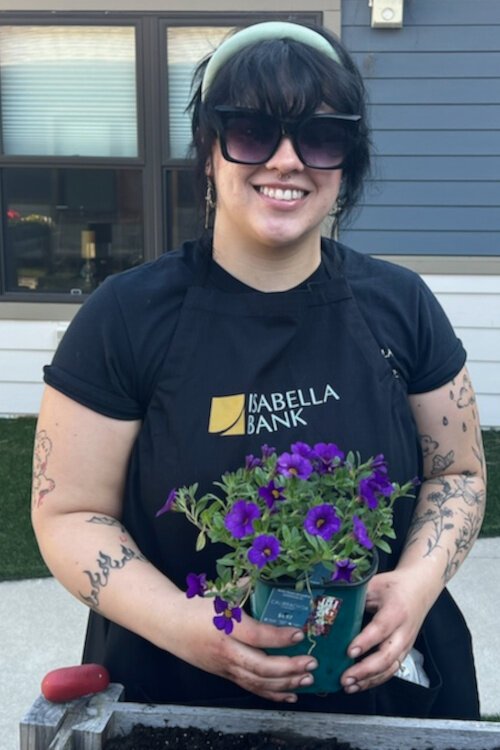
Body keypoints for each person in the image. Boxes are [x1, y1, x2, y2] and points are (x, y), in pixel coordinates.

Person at [32, 20, 486, 720]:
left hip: (381, 696)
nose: (286, 160)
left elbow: (457, 473)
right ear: (210, 151)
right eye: (251, 131)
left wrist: (419, 583)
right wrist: (194, 628)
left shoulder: (402, 306)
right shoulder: (125, 316)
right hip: (176, 696)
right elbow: (69, 513)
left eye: (321, 136)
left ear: (347, 163)